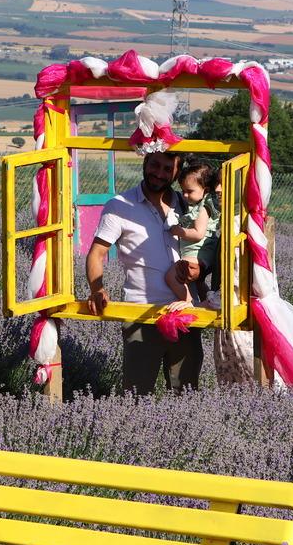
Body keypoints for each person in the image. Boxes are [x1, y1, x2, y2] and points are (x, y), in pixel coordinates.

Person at [85, 151, 203, 395]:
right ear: (145, 162)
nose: (159, 173)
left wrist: (200, 271)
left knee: (186, 396)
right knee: (136, 396)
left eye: (167, 169)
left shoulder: (187, 203)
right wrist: (97, 289)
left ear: (177, 172)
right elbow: (97, 253)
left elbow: (208, 244)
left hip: (186, 313)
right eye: (155, 165)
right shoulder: (120, 206)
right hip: (141, 313)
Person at [164, 159, 220, 308]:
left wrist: (178, 231)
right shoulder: (197, 205)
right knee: (198, 282)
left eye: (189, 191)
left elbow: (198, 233)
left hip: (198, 253)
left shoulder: (203, 208)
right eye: (183, 191)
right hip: (200, 253)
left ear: (205, 190)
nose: (185, 195)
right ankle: (210, 302)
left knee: (171, 276)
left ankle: (190, 303)